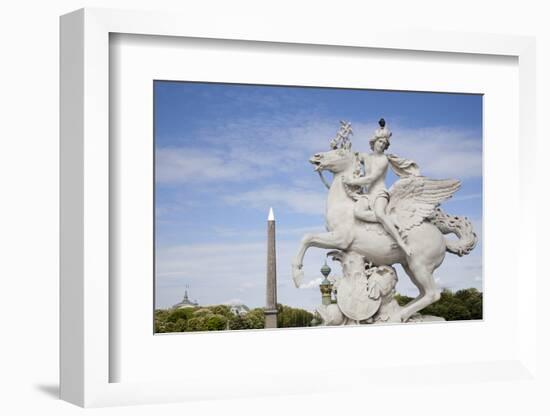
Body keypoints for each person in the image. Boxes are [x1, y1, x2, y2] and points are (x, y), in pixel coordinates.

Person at [343, 119, 419, 256]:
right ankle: (391, 220)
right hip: (367, 195)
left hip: (380, 193)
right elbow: (350, 157)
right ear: (374, 142)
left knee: (379, 214)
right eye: (380, 142)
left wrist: (352, 181)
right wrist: (341, 146)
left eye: (384, 144)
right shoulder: (365, 156)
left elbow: (371, 178)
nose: (382, 145)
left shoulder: (383, 160)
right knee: (357, 213)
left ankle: (402, 243)